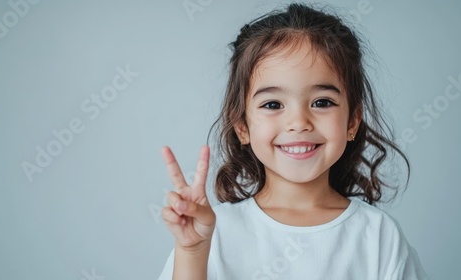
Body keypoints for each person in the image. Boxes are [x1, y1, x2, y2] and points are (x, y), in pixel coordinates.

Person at [158, 3, 429, 280]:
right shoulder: (213, 231)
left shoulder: (379, 236)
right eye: (273, 104)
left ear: (352, 122)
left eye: (322, 102)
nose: (299, 122)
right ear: (242, 126)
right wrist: (192, 252)